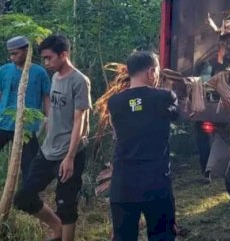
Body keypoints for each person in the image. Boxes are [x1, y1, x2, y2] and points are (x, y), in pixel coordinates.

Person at [14, 34, 92, 241]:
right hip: (48, 150)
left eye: (49, 58)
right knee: (24, 197)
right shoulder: (55, 77)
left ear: (64, 55)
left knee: (66, 204)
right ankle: (56, 228)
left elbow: (80, 122)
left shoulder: (79, 81)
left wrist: (70, 157)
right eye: (45, 59)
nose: (46, 63)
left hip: (69, 153)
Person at [107, 51, 178, 241]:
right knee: (162, 236)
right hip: (156, 184)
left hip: (123, 185)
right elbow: (179, 114)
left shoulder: (114, 102)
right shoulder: (165, 97)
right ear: (151, 72)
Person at [0, 36, 51, 176]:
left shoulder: (40, 72)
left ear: (27, 51)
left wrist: (49, 121)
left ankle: (28, 196)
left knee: (30, 166)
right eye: (10, 54)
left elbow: (47, 97)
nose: (11, 57)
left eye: (15, 53)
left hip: (26, 126)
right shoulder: (4, 70)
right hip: (3, 122)